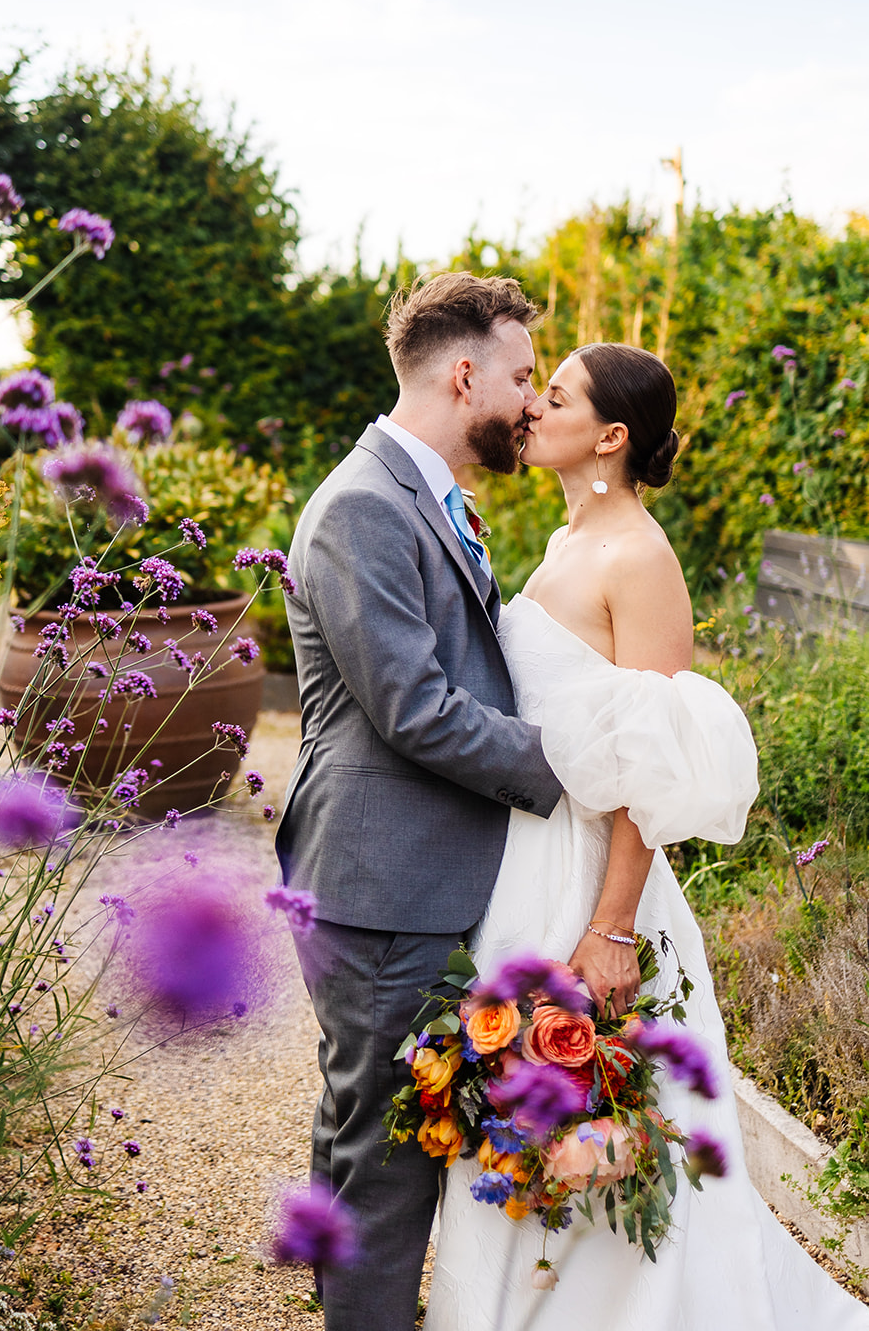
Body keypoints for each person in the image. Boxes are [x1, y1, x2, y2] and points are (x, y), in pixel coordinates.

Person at [425, 341, 869, 1329]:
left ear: (610, 434)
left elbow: (649, 769)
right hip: (524, 869)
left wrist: (611, 928)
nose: (531, 411)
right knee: (521, 1106)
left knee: (602, 1111)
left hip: (594, 887)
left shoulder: (639, 556)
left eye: (553, 397)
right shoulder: (562, 543)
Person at [275, 272, 566, 1331]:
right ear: (461, 373)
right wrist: (563, 765)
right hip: (379, 883)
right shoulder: (359, 507)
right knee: (385, 1164)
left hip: (405, 881)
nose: (530, 401)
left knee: (365, 1139)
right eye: (521, 377)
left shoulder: (428, 499)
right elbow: (413, 706)